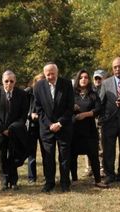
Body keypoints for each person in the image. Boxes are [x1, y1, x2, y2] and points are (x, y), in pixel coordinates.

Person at [34, 63, 75, 193]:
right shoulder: (39, 86)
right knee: (48, 156)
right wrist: (49, 124)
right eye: (48, 74)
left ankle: (64, 183)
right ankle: (49, 182)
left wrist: (59, 123)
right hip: (46, 128)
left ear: (57, 73)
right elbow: (38, 109)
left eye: (53, 74)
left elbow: (70, 107)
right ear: (44, 74)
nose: (50, 76)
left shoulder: (66, 84)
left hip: (63, 127)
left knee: (64, 156)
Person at [0, 70, 28, 190]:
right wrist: (3, 129)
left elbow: (23, 114)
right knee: (1, 156)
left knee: (13, 155)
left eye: (11, 81)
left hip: (15, 132)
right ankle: (4, 180)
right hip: (0, 132)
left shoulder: (21, 94)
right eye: (6, 81)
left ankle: (13, 180)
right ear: (2, 81)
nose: (9, 84)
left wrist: (13, 128)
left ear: (15, 81)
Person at [69, 69, 105, 187]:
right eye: (81, 77)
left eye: (85, 77)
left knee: (94, 156)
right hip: (74, 130)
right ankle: (74, 179)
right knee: (72, 156)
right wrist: (72, 108)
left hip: (89, 130)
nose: (83, 79)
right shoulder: (71, 94)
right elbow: (64, 109)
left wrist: (85, 114)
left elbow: (98, 109)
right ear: (77, 79)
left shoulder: (93, 94)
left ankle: (98, 180)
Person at [24, 74, 44, 183]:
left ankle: (48, 175)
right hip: (31, 126)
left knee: (46, 153)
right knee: (31, 153)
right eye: (38, 81)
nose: (40, 84)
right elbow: (22, 109)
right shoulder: (28, 92)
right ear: (34, 82)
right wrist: (30, 114)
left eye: (42, 81)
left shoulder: (47, 93)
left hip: (43, 126)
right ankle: (32, 178)